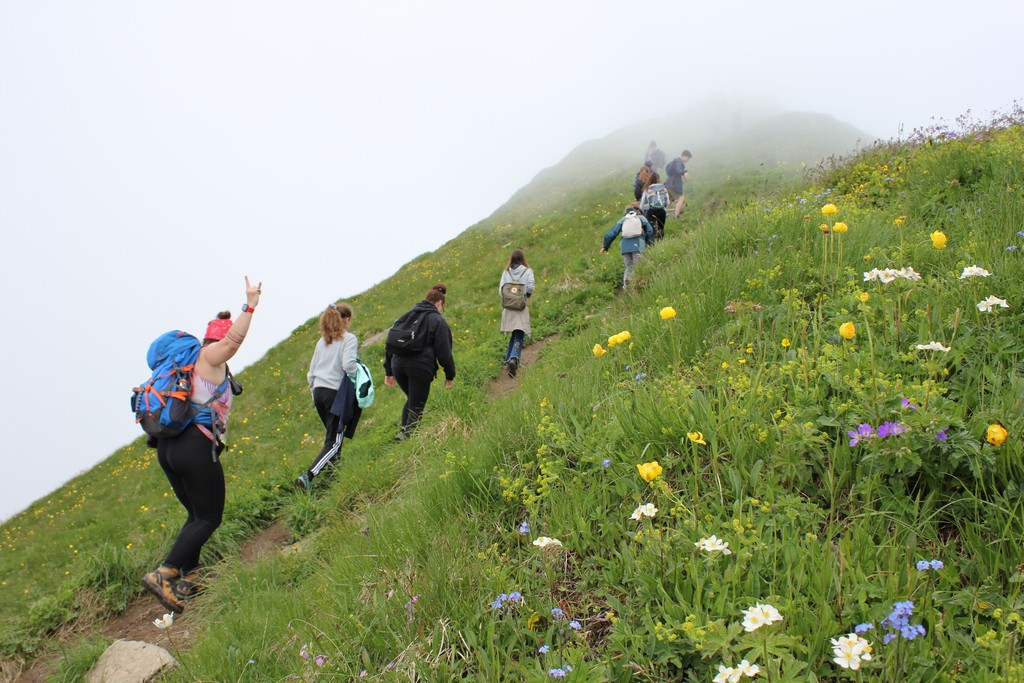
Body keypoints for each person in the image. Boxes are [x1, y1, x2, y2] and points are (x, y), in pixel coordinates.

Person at [141, 276, 261, 613]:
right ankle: (164, 574)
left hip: (168, 448)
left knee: (196, 514)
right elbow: (233, 344)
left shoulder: (186, 365)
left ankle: (191, 577)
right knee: (209, 517)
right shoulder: (210, 357)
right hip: (194, 445)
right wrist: (250, 306)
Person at [295, 303, 359, 493]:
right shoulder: (349, 339)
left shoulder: (321, 342)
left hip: (319, 393)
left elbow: (311, 372)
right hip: (334, 394)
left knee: (333, 434)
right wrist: (360, 377)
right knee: (334, 440)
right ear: (345, 319)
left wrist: (314, 390)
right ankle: (308, 476)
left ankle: (334, 475)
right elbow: (349, 365)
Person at [383, 284, 456, 440]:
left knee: (413, 399)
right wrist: (450, 375)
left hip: (397, 365)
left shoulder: (404, 317)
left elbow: (389, 344)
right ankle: (408, 436)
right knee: (417, 404)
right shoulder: (437, 320)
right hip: (420, 366)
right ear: (440, 303)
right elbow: (444, 351)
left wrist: (389, 371)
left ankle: (403, 433)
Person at [499, 249, 535, 378]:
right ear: (522, 259)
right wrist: (525, 297)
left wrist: (509, 298)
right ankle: (514, 358)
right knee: (519, 333)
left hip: (508, 307)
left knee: (514, 333)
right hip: (521, 307)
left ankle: (508, 360)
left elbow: (501, 290)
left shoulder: (506, 272)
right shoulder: (527, 271)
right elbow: (530, 287)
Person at [600, 207, 655, 289]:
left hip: (625, 247)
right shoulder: (642, 218)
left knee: (629, 267)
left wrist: (605, 246)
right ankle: (637, 287)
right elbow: (650, 231)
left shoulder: (623, 219)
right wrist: (650, 244)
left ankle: (626, 286)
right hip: (638, 245)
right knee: (638, 267)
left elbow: (611, 233)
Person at [639, 171, 668, 240]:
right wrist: (664, 209)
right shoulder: (663, 189)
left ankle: (652, 242)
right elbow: (667, 202)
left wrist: (642, 211)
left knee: (651, 228)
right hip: (662, 211)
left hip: (651, 211)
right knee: (661, 228)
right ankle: (661, 242)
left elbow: (642, 204)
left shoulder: (647, 190)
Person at [665, 149, 692, 220]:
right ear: (684, 156)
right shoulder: (678, 161)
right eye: (688, 158)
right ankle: (676, 216)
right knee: (681, 198)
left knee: (670, 200)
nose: (688, 160)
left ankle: (662, 214)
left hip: (669, 183)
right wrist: (685, 172)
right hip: (673, 184)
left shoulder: (676, 161)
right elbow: (678, 171)